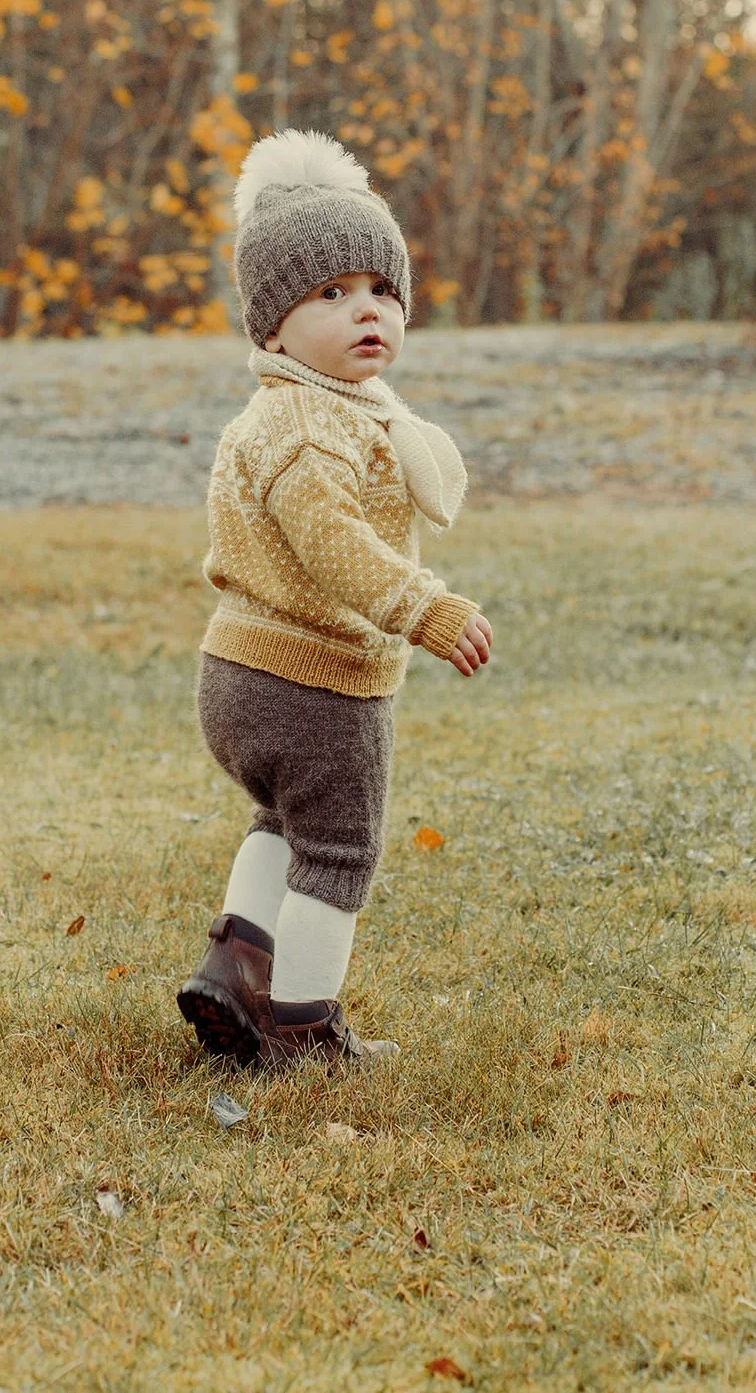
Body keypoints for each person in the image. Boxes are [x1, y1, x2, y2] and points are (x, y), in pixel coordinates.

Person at [176, 129, 493, 1069]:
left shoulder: (291, 409)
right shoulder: (312, 426)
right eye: (330, 293)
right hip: (312, 682)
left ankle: (234, 970)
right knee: (338, 856)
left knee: (283, 823)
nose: (367, 310)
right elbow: (334, 544)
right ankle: (304, 1030)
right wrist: (425, 609)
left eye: (383, 290)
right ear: (271, 327)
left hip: (239, 674)